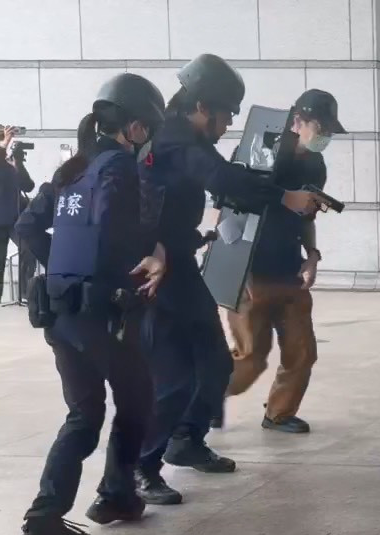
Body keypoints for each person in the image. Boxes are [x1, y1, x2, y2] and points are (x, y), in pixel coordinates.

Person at [135, 54, 320, 504]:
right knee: (174, 375)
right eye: (227, 114)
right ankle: (141, 468)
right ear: (202, 106)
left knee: (216, 361)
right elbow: (220, 178)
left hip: (179, 263)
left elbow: (226, 180)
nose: (229, 123)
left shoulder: (189, 138)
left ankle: (187, 439)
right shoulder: (175, 138)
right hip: (155, 271)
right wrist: (284, 197)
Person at [15, 74, 169, 535]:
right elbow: (121, 229)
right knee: (137, 398)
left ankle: (43, 519)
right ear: (135, 127)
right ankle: (116, 495)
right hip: (102, 314)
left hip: (60, 312)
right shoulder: (120, 167)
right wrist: (150, 255)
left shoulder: (71, 170)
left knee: (84, 414)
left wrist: (63, 272)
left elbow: (26, 226)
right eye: (148, 129)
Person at [224, 89, 345, 435]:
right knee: (251, 356)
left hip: (289, 268)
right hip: (250, 269)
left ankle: (279, 413)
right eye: (320, 127)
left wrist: (312, 256)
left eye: (329, 130)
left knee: (302, 350)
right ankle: (204, 397)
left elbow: (307, 216)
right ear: (297, 121)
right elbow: (230, 208)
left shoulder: (315, 164)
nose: (325, 136)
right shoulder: (260, 153)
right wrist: (239, 267)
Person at [0, 125, 36, 303]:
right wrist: (5, 143)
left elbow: (28, 186)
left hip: (15, 219)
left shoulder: (10, 163)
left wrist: (18, 164)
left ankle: (25, 294)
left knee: (28, 249)